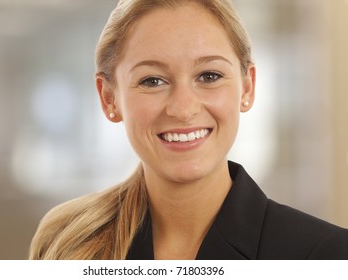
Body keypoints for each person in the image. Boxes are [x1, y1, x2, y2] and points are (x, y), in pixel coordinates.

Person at [29, 0, 348, 260]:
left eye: (209, 76)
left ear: (247, 88)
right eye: (152, 80)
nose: (183, 109)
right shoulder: (68, 243)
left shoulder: (325, 255)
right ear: (109, 98)